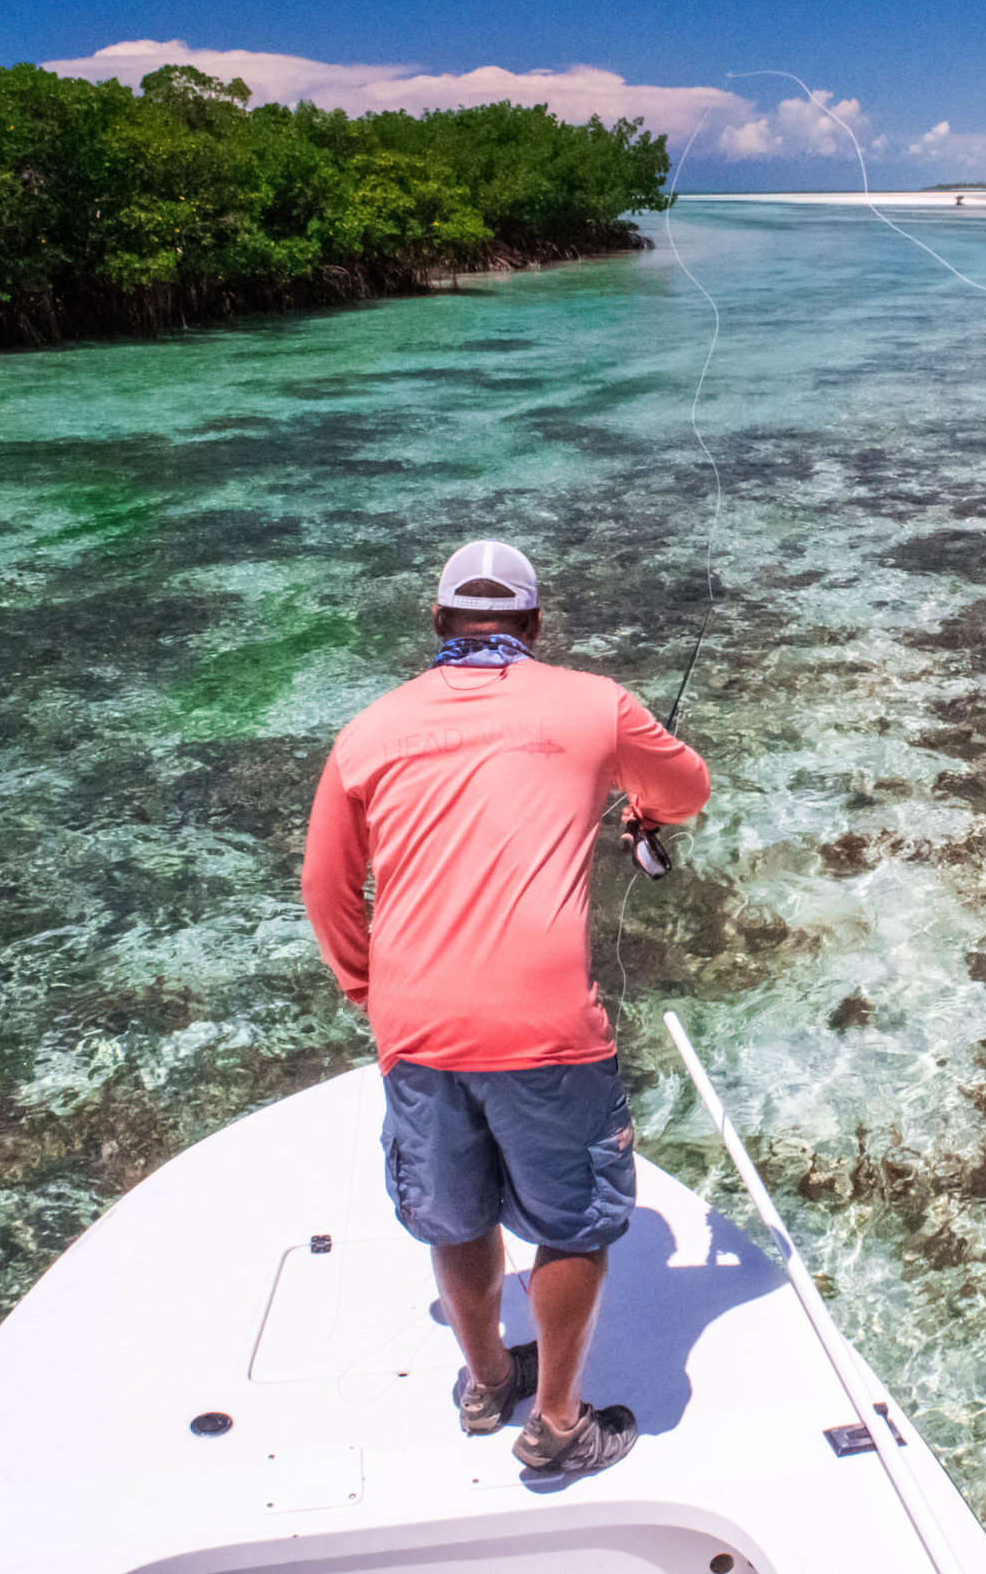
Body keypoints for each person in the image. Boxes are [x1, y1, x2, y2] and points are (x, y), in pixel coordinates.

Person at [300, 537, 711, 1476]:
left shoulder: (366, 731)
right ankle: (559, 1423)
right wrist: (640, 802)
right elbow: (688, 789)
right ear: (532, 625)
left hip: (417, 1032)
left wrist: (374, 994)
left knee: (455, 1209)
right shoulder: (593, 704)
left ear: (438, 621)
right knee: (572, 1226)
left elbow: (325, 885)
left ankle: (487, 1380)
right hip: (547, 1033)